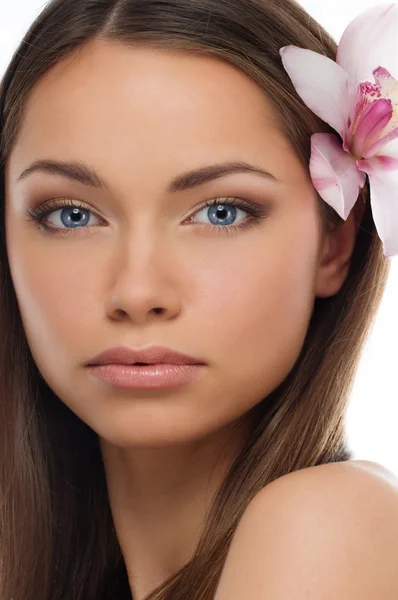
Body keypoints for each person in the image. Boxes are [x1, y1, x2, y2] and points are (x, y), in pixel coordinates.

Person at [0, 0, 397, 599]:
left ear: (334, 243)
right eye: (72, 214)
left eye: (221, 212)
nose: (137, 292)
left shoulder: (329, 524)